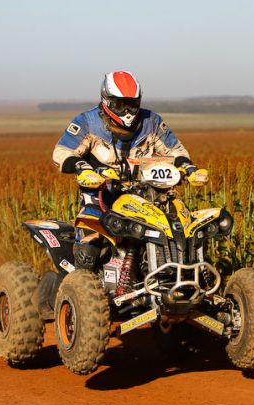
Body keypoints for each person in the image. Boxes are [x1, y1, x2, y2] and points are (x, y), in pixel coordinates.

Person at [52, 70, 208, 270]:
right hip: (102, 195)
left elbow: (175, 150)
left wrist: (188, 167)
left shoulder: (151, 121)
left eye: (132, 104)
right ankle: (81, 288)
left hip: (150, 195)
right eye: (120, 104)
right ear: (107, 101)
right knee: (89, 253)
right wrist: (81, 166)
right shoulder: (87, 122)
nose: (127, 111)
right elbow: (62, 151)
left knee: (184, 230)